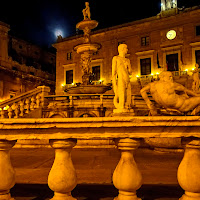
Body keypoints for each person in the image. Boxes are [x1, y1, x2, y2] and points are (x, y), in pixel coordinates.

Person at [112, 44, 132, 113]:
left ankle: (127, 106)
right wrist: (114, 85)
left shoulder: (127, 60)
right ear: (122, 49)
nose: (127, 50)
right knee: (122, 95)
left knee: (128, 96)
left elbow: (130, 72)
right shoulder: (116, 58)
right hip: (120, 78)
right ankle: (121, 107)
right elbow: (113, 73)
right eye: (126, 48)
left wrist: (128, 65)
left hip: (127, 79)